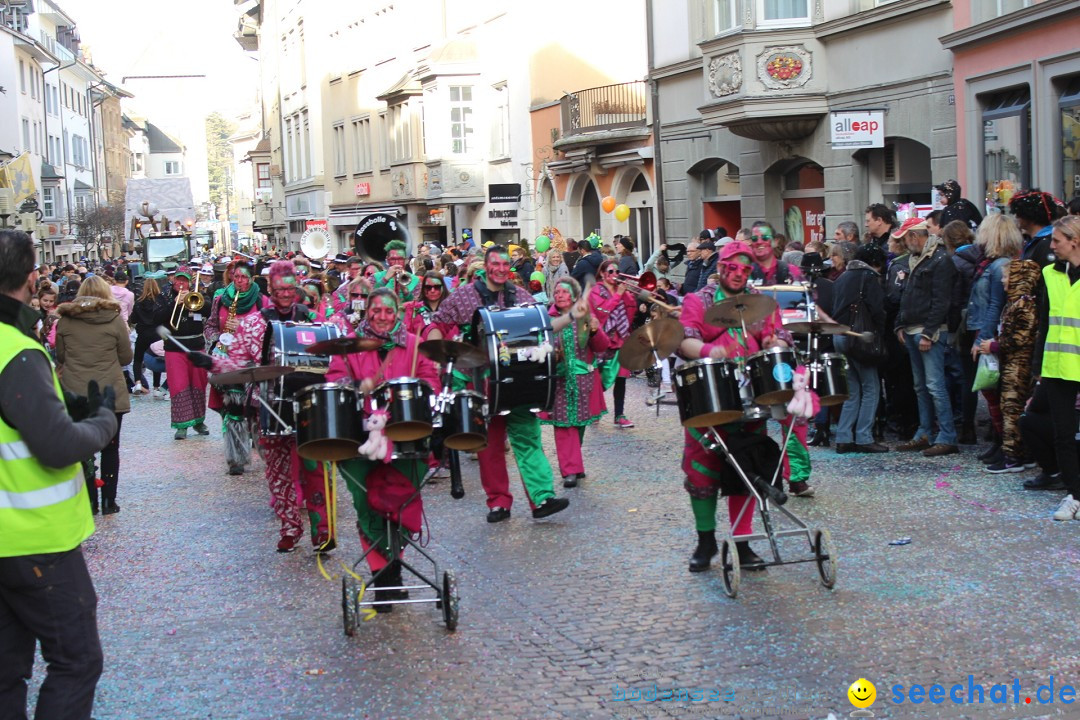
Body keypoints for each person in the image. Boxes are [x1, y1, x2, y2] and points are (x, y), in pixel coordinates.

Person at [0, 230, 118, 720]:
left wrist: (56, 408)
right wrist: (100, 422)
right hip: (33, 539)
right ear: (32, 277)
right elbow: (55, 448)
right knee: (76, 661)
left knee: (6, 672)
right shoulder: (15, 347)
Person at [190, 260, 331, 551]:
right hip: (267, 405)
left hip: (306, 404)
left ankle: (323, 530)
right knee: (278, 472)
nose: (285, 294)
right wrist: (212, 362)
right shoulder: (255, 323)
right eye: (280, 289)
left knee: (314, 468)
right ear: (270, 287)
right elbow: (239, 361)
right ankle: (290, 528)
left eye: (291, 289)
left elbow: (331, 358)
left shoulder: (311, 319)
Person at [430, 245, 576, 522]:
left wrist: (570, 317)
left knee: (528, 438)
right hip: (481, 382)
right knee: (490, 446)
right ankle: (498, 502)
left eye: (505, 264)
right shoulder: (464, 295)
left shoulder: (520, 295)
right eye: (495, 264)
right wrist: (439, 353)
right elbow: (438, 321)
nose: (500, 269)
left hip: (518, 381)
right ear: (485, 266)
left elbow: (541, 327)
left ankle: (542, 497)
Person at [677, 241, 793, 571]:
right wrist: (707, 351)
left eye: (746, 268)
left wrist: (774, 341)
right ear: (721, 267)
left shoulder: (760, 303)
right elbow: (684, 340)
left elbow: (780, 335)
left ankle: (743, 545)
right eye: (733, 267)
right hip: (708, 397)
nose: (739, 274)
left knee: (746, 470)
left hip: (750, 399)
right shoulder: (697, 300)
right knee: (701, 471)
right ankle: (705, 540)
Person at [326, 288, 441, 610]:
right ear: (367, 312)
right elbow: (335, 380)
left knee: (401, 504)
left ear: (398, 313)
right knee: (368, 505)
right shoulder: (348, 347)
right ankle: (385, 577)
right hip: (361, 442)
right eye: (375, 310)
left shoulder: (416, 347)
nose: (381, 316)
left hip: (407, 439)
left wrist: (416, 398)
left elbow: (432, 383)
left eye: (388, 311)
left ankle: (391, 569)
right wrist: (351, 387)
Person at [55, 276, 133, 515]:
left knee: (82, 448)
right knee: (110, 447)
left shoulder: (66, 322)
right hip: (110, 390)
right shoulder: (114, 319)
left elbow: (61, 357)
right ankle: (109, 500)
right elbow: (126, 358)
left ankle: (89, 500)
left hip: (76, 391)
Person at [892, 217, 959, 456]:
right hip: (915, 328)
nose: (904, 244)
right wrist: (901, 324)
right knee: (923, 386)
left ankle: (945, 435)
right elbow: (909, 297)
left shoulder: (938, 260)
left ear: (914, 236)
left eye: (906, 238)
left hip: (927, 330)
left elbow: (942, 301)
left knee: (933, 385)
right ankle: (927, 432)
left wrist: (929, 332)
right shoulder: (922, 259)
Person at [540, 277, 610, 487]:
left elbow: (601, 347)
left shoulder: (586, 316)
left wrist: (595, 331)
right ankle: (570, 470)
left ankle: (575, 465)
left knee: (578, 424)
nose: (559, 295)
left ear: (574, 296)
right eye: (557, 292)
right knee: (564, 426)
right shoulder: (547, 318)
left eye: (564, 292)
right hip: (559, 382)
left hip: (584, 382)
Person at [965, 214, 1024, 462]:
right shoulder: (991, 264)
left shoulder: (998, 265)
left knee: (994, 390)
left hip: (989, 332)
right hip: (984, 328)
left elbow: (995, 305)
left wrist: (983, 339)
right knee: (991, 391)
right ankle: (1000, 442)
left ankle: (1005, 444)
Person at [204, 259, 267, 476]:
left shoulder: (261, 300)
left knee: (258, 410)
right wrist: (216, 340)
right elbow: (210, 325)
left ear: (251, 279)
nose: (239, 281)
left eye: (243, 277)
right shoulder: (221, 299)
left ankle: (269, 454)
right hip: (229, 361)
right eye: (236, 276)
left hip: (254, 362)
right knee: (234, 409)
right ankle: (236, 458)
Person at [1035, 215, 1080, 521]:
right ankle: (1075, 494)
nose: (1051, 247)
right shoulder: (1050, 273)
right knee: (1063, 435)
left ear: (1074, 242)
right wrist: (1038, 367)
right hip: (1057, 365)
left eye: (1057, 241)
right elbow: (1044, 322)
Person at [979, 259, 1040, 473]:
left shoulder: (1024, 306)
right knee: (1009, 408)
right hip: (1011, 364)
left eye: (1007, 276)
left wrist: (994, 345)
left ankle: (1013, 456)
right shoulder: (1014, 304)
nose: (1004, 280)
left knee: (1012, 408)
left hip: (1018, 367)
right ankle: (1021, 453)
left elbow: (1020, 339)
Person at [832, 244, 889, 453]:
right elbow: (877, 310)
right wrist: (879, 335)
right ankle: (864, 436)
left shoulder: (842, 277)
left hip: (839, 335)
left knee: (852, 390)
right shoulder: (869, 277)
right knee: (871, 388)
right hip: (859, 337)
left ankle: (844, 436)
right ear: (875, 262)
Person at [590, 258, 637, 429]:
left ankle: (619, 414)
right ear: (602, 274)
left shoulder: (621, 290)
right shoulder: (596, 291)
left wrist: (625, 293)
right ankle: (592, 408)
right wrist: (618, 295)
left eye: (617, 272)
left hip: (621, 338)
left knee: (621, 378)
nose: (615, 275)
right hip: (603, 340)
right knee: (601, 380)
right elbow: (603, 312)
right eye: (611, 272)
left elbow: (631, 310)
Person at [164, 269, 211, 440]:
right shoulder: (166, 296)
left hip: (196, 345)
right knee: (178, 386)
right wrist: (174, 304)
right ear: (173, 281)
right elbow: (157, 318)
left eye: (184, 281)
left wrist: (196, 300)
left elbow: (209, 310)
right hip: (174, 348)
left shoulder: (198, 294)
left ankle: (199, 422)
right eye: (178, 281)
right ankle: (181, 425)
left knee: (199, 384)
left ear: (190, 282)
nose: (181, 284)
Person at [131, 277, 170, 399]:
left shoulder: (139, 301)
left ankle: (137, 383)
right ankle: (156, 386)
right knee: (157, 358)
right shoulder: (161, 300)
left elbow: (133, 319)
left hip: (143, 334)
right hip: (157, 333)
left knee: (137, 359)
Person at [1010, 190, 1064, 268]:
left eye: (1019, 214)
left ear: (1029, 215)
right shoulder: (1030, 240)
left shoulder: (1047, 243)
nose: (1016, 218)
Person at [403, 270, 456, 342]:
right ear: (423, 288)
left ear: (443, 287)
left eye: (437, 287)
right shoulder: (413, 309)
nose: (432, 290)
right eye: (428, 287)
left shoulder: (452, 308)